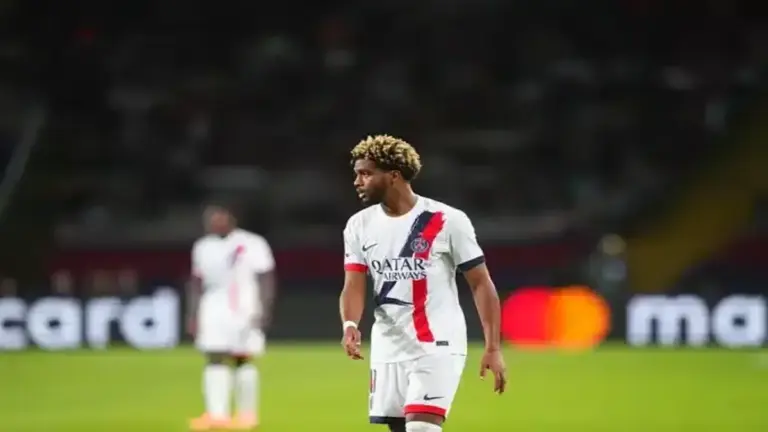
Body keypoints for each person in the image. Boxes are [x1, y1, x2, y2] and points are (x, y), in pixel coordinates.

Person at [339, 135, 506, 432]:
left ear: (393, 176)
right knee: (402, 429)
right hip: (389, 346)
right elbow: (353, 282)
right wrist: (350, 324)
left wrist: (493, 346)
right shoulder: (359, 225)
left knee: (421, 428)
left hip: (438, 343)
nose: (357, 181)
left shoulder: (446, 220)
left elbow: (481, 283)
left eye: (365, 173)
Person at [188, 205, 277, 430]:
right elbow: (197, 282)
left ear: (231, 218)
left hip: (244, 308)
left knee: (242, 358)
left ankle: (247, 414)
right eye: (211, 219)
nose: (215, 222)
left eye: (219, 217)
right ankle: (217, 415)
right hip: (213, 308)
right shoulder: (202, 247)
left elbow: (267, 277)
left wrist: (265, 307)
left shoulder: (253, 243)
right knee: (214, 358)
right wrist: (193, 313)